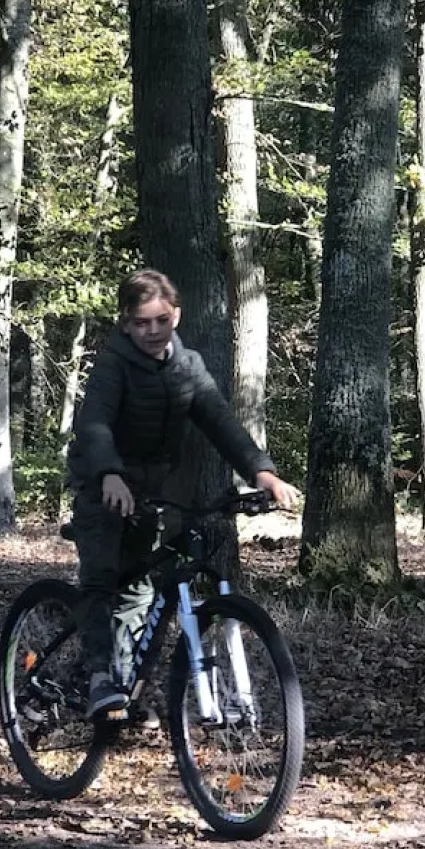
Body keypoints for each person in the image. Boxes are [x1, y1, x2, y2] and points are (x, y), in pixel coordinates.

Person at [66, 268, 299, 719]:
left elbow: (220, 422)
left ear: (177, 316)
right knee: (101, 576)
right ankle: (99, 677)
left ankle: (125, 690)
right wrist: (109, 474)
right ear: (126, 323)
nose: (152, 331)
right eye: (141, 322)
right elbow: (93, 423)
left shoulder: (187, 366)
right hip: (102, 481)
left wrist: (262, 473)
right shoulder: (113, 364)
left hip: (157, 489)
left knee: (143, 591)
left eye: (161, 320)